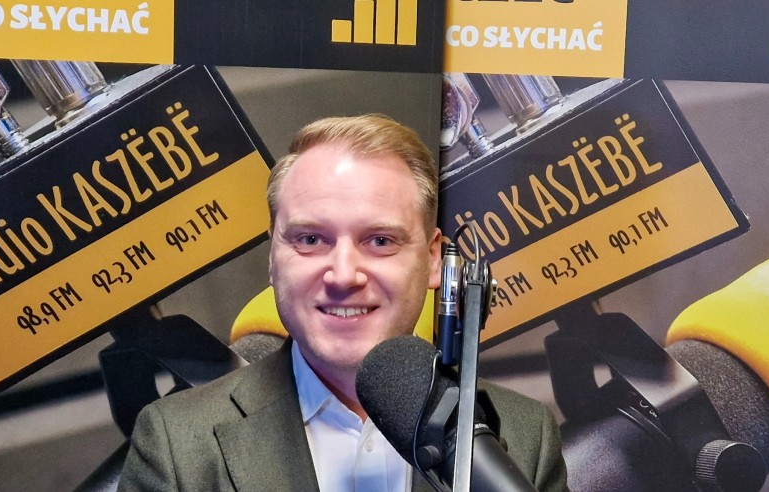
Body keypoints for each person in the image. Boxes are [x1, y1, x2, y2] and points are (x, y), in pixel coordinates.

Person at [118, 115, 568, 491]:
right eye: (311, 240)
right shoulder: (177, 444)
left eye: (380, 240)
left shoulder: (524, 436)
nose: (344, 275)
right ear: (273, 258)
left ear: (434, 260)